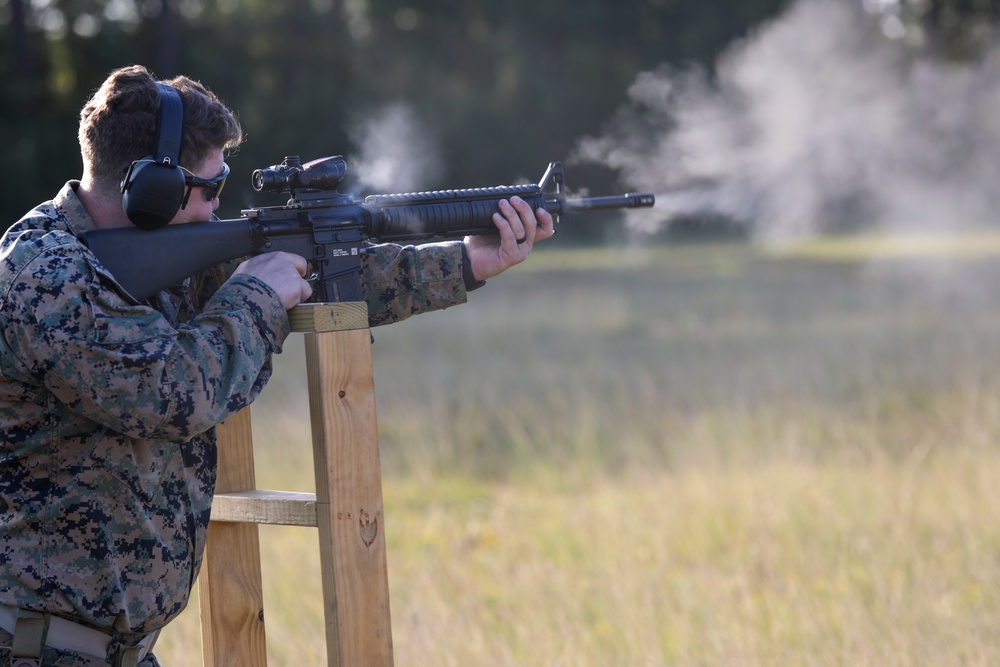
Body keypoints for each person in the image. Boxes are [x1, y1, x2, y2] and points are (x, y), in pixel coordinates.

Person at [0, 65, 554, 667]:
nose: (218, 207)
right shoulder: (44, 275)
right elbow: (175, 390)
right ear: (154, 188)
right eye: (211, 189)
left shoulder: (154, 252)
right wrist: (256, 297)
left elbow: (334, 276)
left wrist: (467, 261)